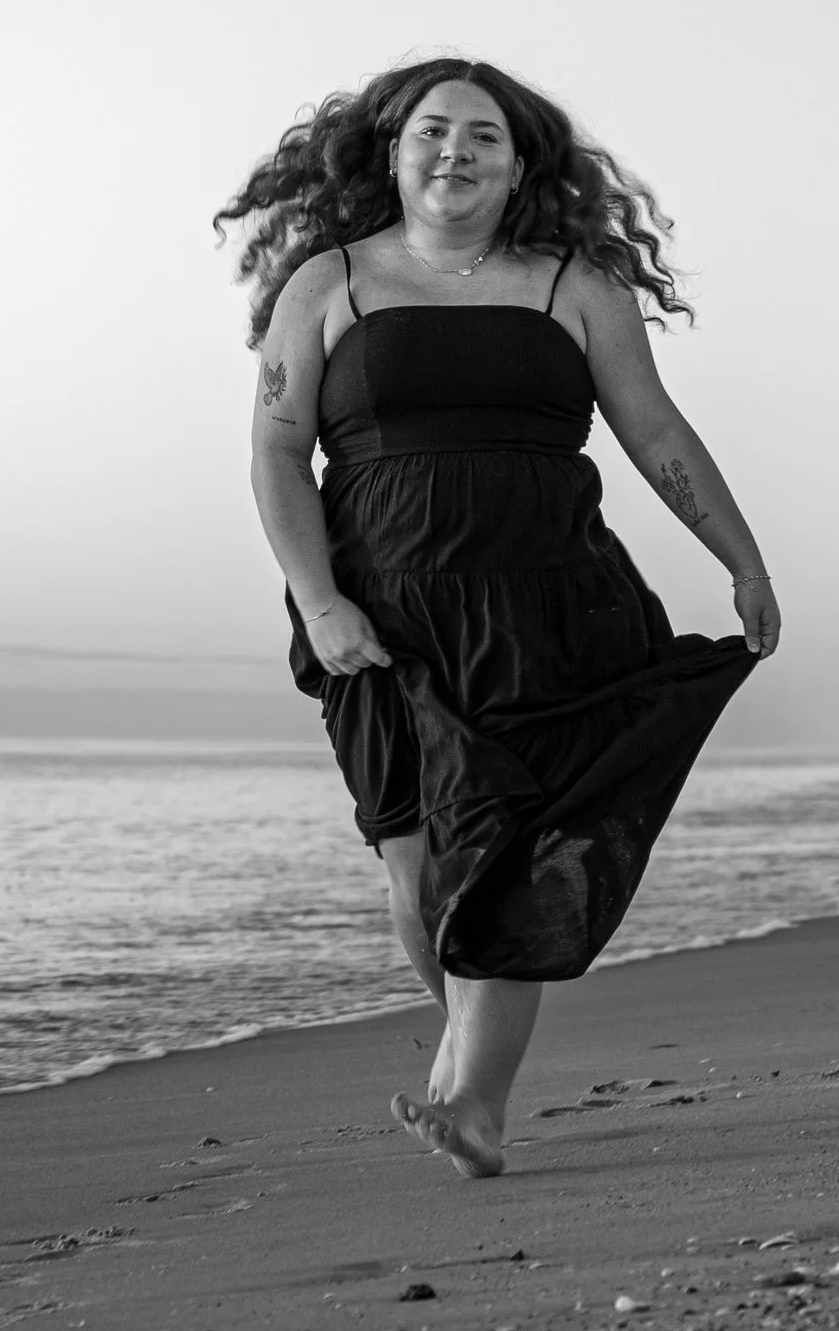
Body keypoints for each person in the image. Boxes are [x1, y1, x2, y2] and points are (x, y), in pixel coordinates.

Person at [216, 57, 779, 1179]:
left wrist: (742, 558)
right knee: (418, 870)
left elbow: (656, 435)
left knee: (508, 852)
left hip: (547, 603)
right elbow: (276, 453)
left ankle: (475, 1102)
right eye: (433, 131)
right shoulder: (328, 283)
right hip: (379, 613)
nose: (453, 153)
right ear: (392, 150)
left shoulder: (575, 285)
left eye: (482, 137)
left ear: (520, 163)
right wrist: (321, 601)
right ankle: (469, 1062)